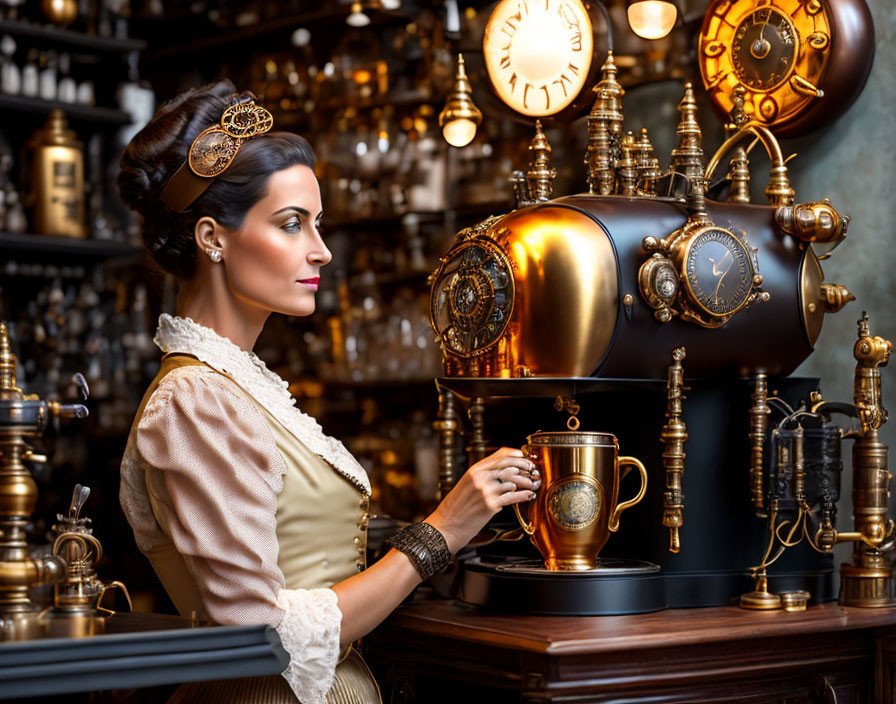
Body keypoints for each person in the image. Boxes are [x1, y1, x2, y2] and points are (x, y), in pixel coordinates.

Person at [117, 80, 540, 704]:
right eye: (292, 225)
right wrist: (441, 532)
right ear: (213, 238)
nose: (321, 251)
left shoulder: (236, 386)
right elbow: (256, 634)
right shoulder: (193, 401)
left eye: (318, 225)